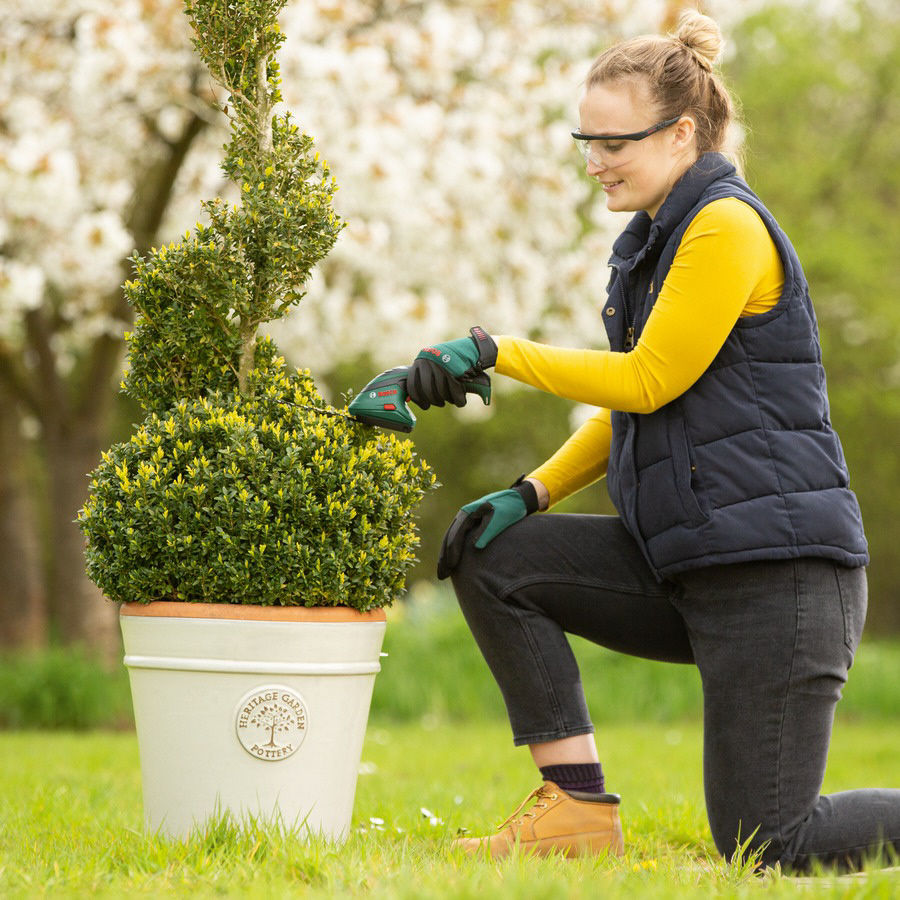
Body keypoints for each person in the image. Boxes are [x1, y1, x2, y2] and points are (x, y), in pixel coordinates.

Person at [403, 9, 900, 873]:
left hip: (777, 583)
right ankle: (576, 811)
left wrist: (497, 352)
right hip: (689, 567)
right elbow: (632, 409)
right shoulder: (653, 243)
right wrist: (532, 493)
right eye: (584, 140)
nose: (593, 162)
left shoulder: (726, 228)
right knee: (497, 557)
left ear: (680, 132)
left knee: (771, 844)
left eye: (612, 142)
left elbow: (647, 378)